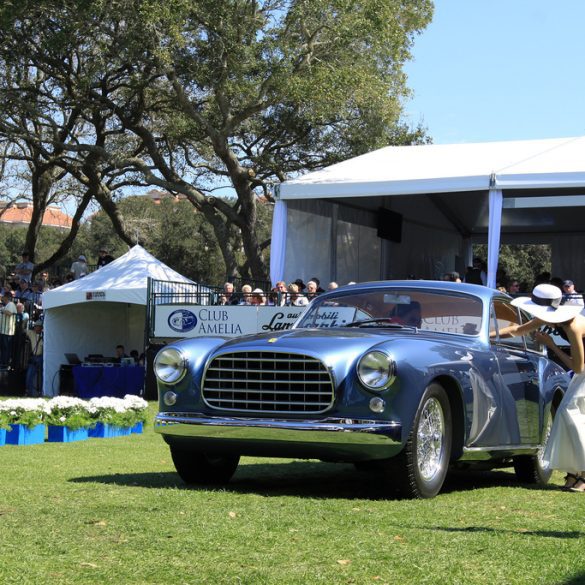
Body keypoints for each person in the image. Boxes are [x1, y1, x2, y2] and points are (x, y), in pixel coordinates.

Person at [496, 283, 585, 491]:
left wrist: (551, 344)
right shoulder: (552, 317)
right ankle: (574, 472)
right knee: (567, 418)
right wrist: (487, 335)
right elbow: (518, 329)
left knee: (569, 415)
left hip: (582, 372)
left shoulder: (573, 326)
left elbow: (577, 367)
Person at [25, 320, 43, 397]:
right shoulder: (31, 333)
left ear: (41, 328)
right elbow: (22, 330)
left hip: (41, 357)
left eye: (38, 326)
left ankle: (40, 392)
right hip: (34, 357)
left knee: (42, 376)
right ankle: (30, 393)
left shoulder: (45, 336)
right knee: (29, 376)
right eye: (35, 326)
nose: (36, 328)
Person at [0, 292, 17, 368]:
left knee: (6, 348)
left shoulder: (11, 304)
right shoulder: (6, 305)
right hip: (3, 330)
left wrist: (2, 310)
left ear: (6, 297)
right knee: (3, 348)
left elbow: (10, 313)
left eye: (3, 296)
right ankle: (3, 362)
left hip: (8, 331)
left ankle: (5, 364)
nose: (2, 298)